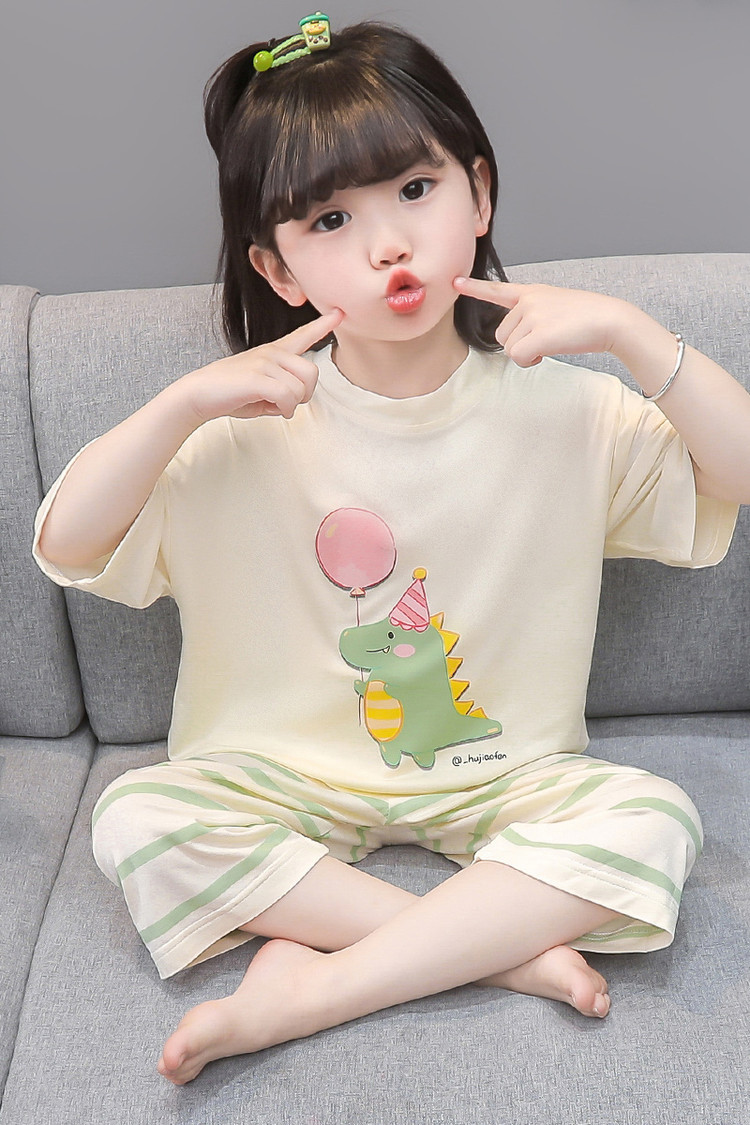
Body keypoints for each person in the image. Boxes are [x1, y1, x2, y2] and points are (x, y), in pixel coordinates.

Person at [32, 15, 750, 1087]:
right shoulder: (236, 426)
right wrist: (180, 405)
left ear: (480, 193)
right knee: (138, 815)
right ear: (277, 268)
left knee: (655, 819)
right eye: (331, 219)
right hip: (278, 781)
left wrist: (633, 335)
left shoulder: (573, 412)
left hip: (505, 778)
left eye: (416, 190)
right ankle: (495, 950)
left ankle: (319, 987)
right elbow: (66, 542)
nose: (388, 246)